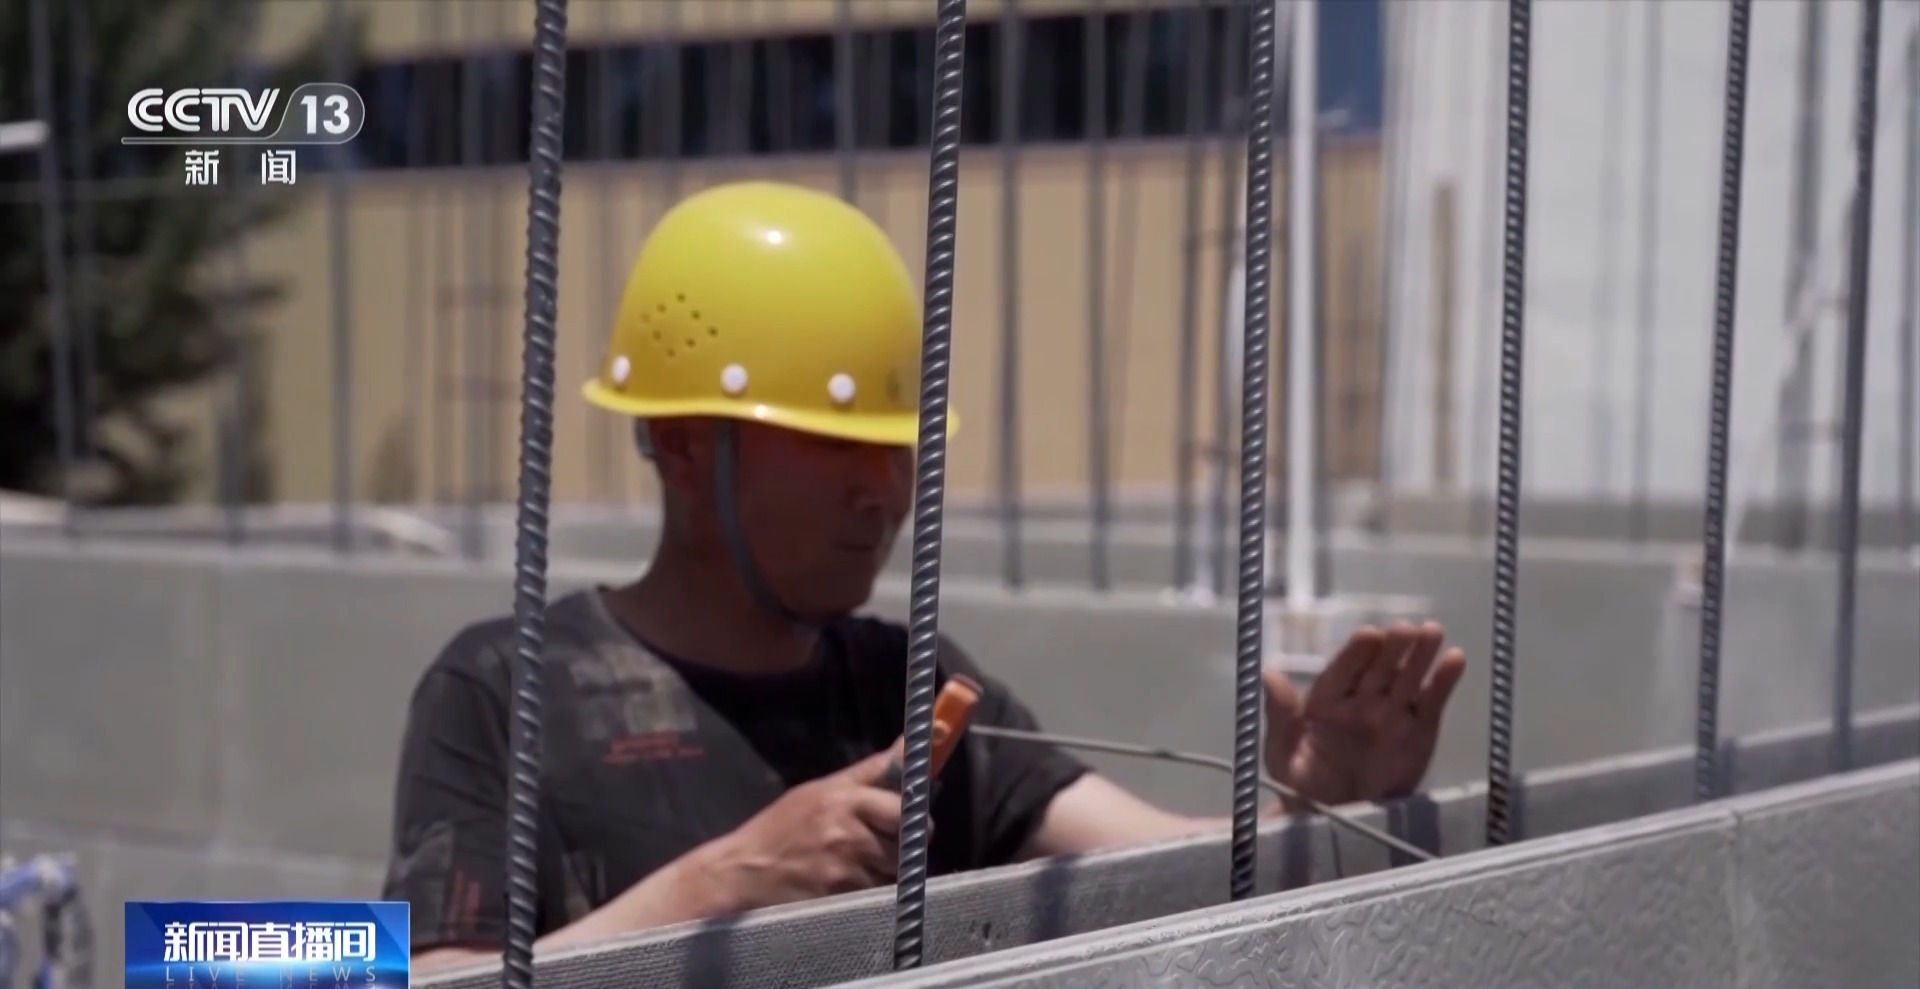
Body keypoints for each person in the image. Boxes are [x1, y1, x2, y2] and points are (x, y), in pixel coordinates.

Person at [381, 181, 1468, 972]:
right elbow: (424, 978)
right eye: (835, 445)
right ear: (680, 443)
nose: (887, 490)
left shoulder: (910, 684)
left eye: (897, 446)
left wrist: (1317, 802)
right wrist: (728, 881)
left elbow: (1161, 867)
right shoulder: (504, 689)